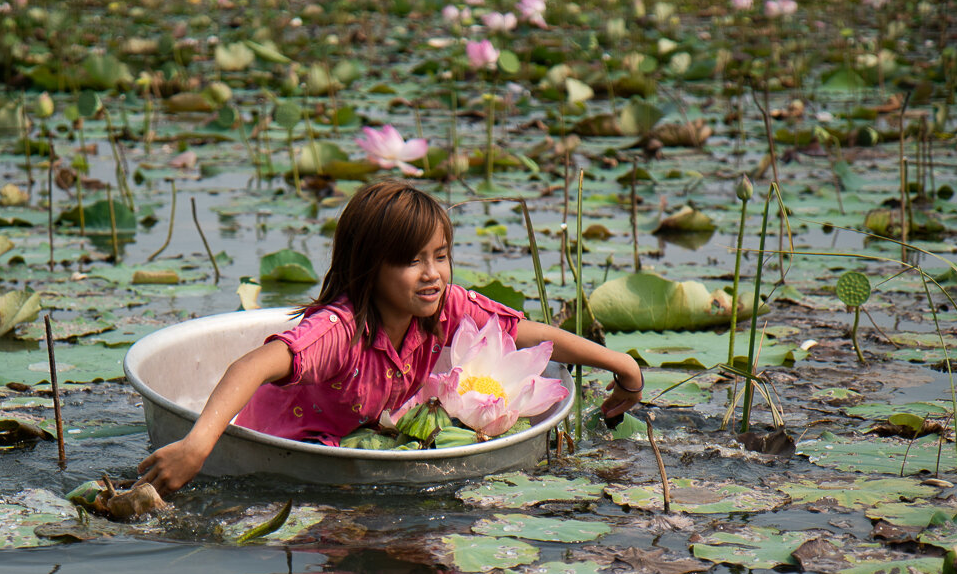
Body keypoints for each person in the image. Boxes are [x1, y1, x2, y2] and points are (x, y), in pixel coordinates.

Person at [138, 179, 644, 496]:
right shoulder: (340, 331)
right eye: (410, 260)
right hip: (284, 445)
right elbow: (251, 365)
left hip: (365, 435)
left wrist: (620, 363)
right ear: (370, 268)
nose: (432, 275)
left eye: (440, 255)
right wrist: (197, 447)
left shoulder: (442, 307)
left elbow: (525, 332)